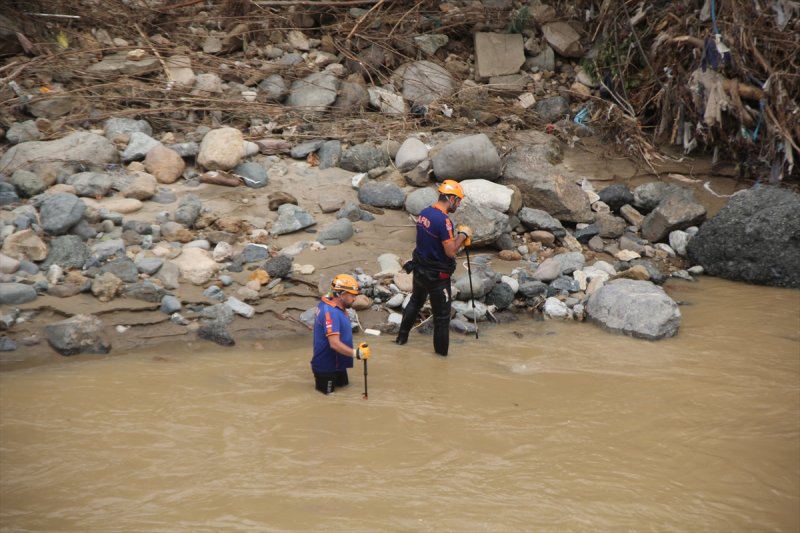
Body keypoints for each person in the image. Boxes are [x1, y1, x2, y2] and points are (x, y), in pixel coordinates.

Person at [395, 180, 472, 356]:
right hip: (437, 278)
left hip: (420, 270)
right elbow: (451, 251)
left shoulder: (425, 213)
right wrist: (463, 235)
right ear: (451, 198)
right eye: (458, 201)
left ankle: (401, 339)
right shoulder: (444, 221)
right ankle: (441, 360)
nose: (459, 205)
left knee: (415, 301)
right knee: (442, 319)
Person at [311, 274, 369, 395]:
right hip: (327, 366)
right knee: (328, 402)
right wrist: (356, 353)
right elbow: (334, 344)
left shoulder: (331, 301)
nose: (355, 299)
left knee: (344, 391)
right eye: (352, 295)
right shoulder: (330, 313)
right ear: (342, 295)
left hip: (338, 363)